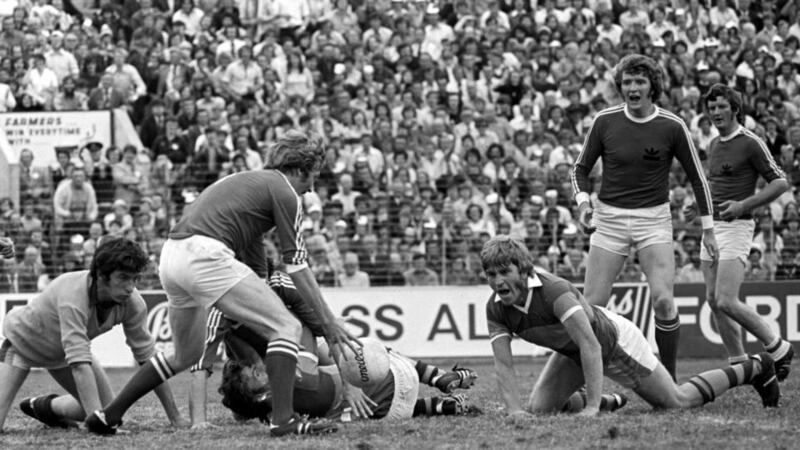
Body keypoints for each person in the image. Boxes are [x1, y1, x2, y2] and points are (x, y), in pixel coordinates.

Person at [85, 131, 358, 437]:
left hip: (173, 256)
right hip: (205, 253)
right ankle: (285, 420)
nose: (311, 189)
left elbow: (257, 272)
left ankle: (107, 416)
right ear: (298, 169)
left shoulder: (248, 183)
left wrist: (248, 309)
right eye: (313, 178)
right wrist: (328, 321)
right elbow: (297, 263)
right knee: (287, 328)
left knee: (184, 356)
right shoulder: (286, 192)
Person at [483, 235, 780, 422]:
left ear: (523, 270)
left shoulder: (554, 291)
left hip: (614, 344)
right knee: (539, 409)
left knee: (677, 402)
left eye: (505, 272)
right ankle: (611, 401)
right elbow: (503, 363)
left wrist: (592, 408)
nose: (498, 281)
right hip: (574, 350)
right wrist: (514, 410)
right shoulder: (496, 307)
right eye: (491, 274)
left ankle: (754, 367)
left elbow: (592, 345)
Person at [571, 54, 719, 380]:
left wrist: (708, 230)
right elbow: (579, 170)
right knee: (590, 307)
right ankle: (585, 379)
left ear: (653, 86)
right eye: (627, 82)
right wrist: (584, 205)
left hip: (653, 219)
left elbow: (698, 178)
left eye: (640, 81)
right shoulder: (604, 121)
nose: (632, 87)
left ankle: (668, 380)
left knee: (664, 301)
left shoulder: (672, 125)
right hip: (608, 219)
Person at [0, 237, 187, 431]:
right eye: (123, 277)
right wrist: (98, 424)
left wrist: (175, 418)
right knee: (102, 415)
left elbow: (150, 362)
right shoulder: (72, 294)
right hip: (21, 345)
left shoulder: (133, 303)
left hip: (63, 353)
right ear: (101, 275)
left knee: (108, 411)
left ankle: (45, 408)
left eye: (135, 278)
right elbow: (80, 365)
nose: (131, 287)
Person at [687, 84, 794, 379]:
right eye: (711, 108)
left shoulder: (751, 142)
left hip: (737, 227)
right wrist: (698, 210)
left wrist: (744, 204)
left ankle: (779, 346)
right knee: (712, 299)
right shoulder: (714, 144)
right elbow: (716, 188)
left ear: (735, 108)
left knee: (725, 299)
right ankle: (740, 362)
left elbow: (781, 182)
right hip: (713, 228)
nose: (715, 112)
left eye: (722, 106)